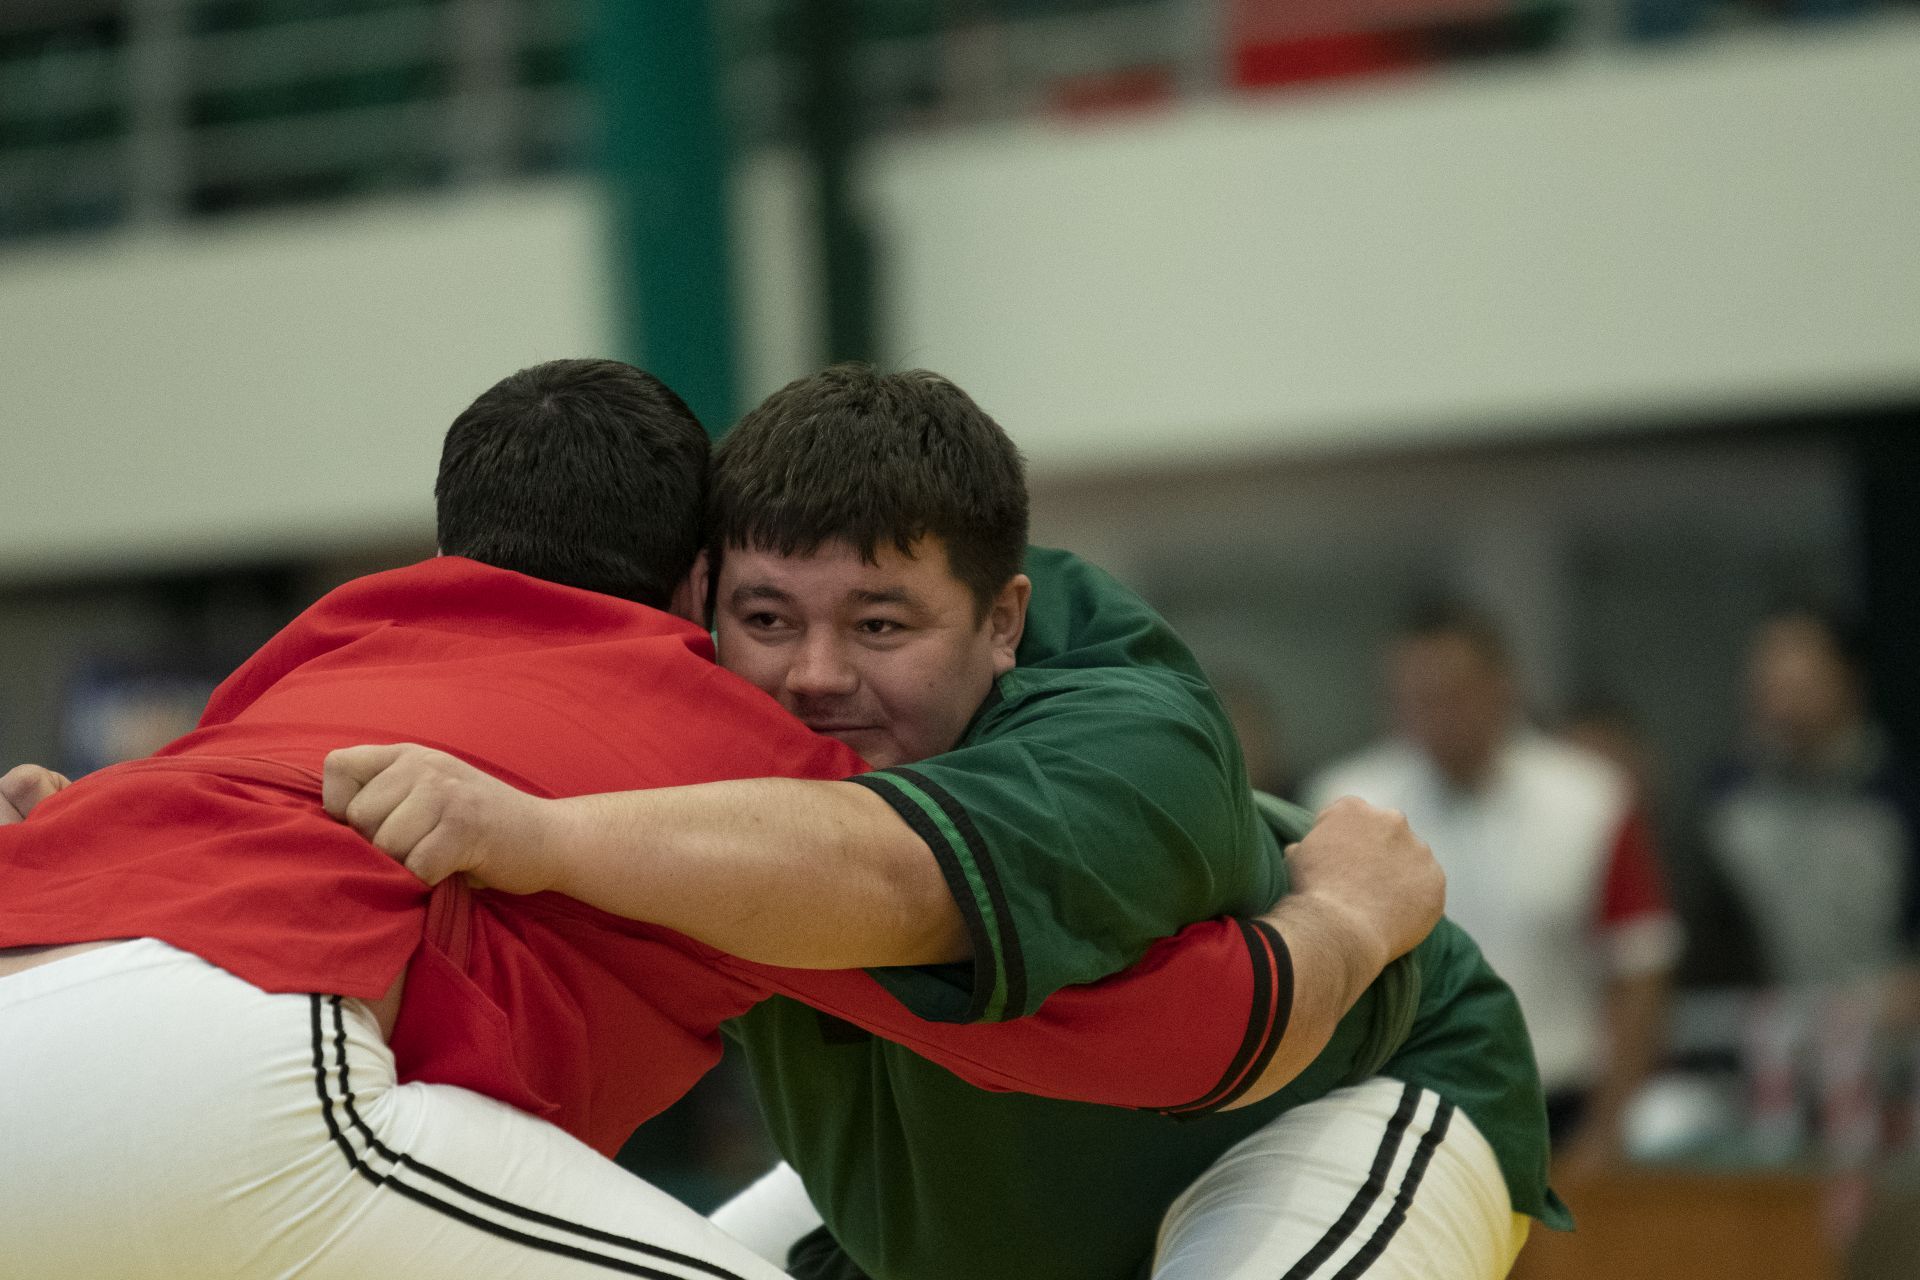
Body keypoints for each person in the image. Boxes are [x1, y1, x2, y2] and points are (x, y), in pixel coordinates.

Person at [0, 359, 1428, 1279]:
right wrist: (1347, 916)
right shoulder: (714, 748)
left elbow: (175, 852)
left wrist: (85, 834)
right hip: (240, 1079)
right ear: (697, 586)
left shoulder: (332, 648)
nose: (807, 669)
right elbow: (1141, 1040)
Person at [332, 365, 1564, 1280]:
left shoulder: (1135, 740)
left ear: (1005, 623)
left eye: (880, 627)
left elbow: (896, 881)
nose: (816, 673)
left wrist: (1350, 914)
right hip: (953, 1221)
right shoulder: (701, 715)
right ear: (704, 604)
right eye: (769, 620)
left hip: (1348, 1102)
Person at [1307, 601, 1680, 1175]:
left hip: (1559, 1104)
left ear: (1502, 687)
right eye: (1416, 697)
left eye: (1453, 693)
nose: (1437, 714)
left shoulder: (1591, 799)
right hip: (1395, 1109)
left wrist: (1608, 1130)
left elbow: (1639, 966)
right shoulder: (1347, 801)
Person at [1699, 605, 1920, 994]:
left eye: (1801, 685)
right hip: (1766, 1036)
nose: (1783, 706)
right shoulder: (1724, 801)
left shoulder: (1898, 795)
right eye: (1770, 685)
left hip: (1887, 1033)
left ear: (1849, 683)